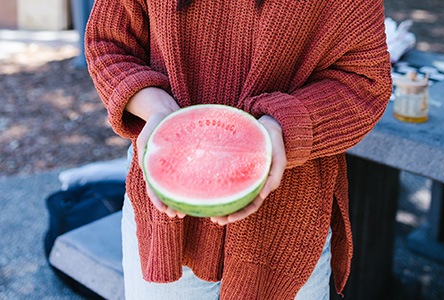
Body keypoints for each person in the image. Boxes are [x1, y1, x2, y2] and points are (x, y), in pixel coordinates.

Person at [85, 0, 392, 298]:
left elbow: (365, 81)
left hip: (286, 225)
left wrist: (284, 125)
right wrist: (158, 110)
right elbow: (108, 42)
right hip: (166, 221)